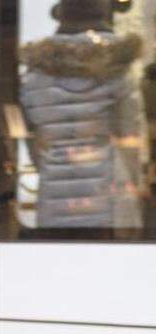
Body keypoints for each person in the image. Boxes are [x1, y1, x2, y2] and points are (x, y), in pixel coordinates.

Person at [19, 0, 144, 229]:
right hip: (107, 202)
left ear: (61, 18)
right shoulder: (119, 71)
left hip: (54, 201)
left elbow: (35, 144)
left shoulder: (34, 75)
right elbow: (130, 141)